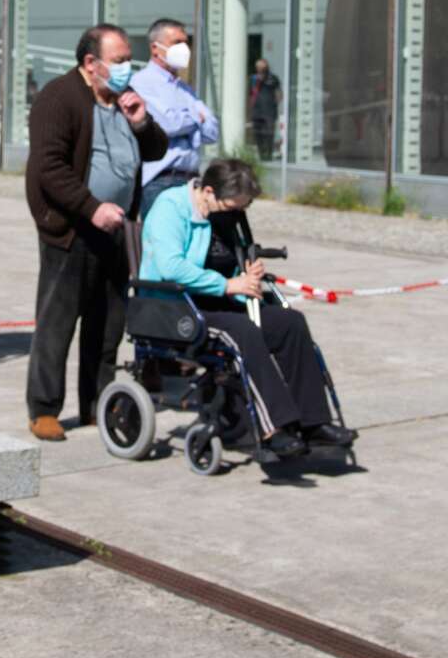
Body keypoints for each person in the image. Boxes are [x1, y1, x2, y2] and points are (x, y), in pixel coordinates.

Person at [139, 157, 353, 456]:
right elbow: (170, 267)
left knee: (290, 323)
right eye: (232, 206)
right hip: (176, 307)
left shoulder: (226, 213)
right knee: (243, 331)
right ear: (209, 191)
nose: (235, 213)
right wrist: (228, 285)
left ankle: (314, 422)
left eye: (242, 207)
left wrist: (247, 275)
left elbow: (229, 261)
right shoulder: (171, 207)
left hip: (219, 300)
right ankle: (273, 429)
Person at [23, 26, 168, 442]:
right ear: (91, 63)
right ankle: (44, 409)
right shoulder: (59, 97)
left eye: (128, 59)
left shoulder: (123, 99)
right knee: (58, 322)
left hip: (117, 229)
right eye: (119, 60)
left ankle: (97, 403)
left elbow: (156, 149)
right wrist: (91, 207)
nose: (127, 68)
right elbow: (50, 168)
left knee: (107, 325)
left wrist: (141, 123)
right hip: (72, 230)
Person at [131, 19, 221, 223]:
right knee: (162, 239)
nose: (184, 48)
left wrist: (183, 117)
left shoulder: (184, 88)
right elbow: (168, 125)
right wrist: (196, 117)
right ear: (155, 48)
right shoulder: (141, 83)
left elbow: (212, 131)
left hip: (191, 181)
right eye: (176, 42)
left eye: (186, 42)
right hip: (160, 181)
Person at [247, 58, 281, 160]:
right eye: (258, 67)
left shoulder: (273, 79)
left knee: (269, 134)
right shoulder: (253, 79)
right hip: (257, 111)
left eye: (262, 67)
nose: (260, 69)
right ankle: (262, 155)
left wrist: (275, 104)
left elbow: (279, 93)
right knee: (258, 134)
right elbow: (250, 94)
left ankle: (269, 154)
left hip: (269, 111)